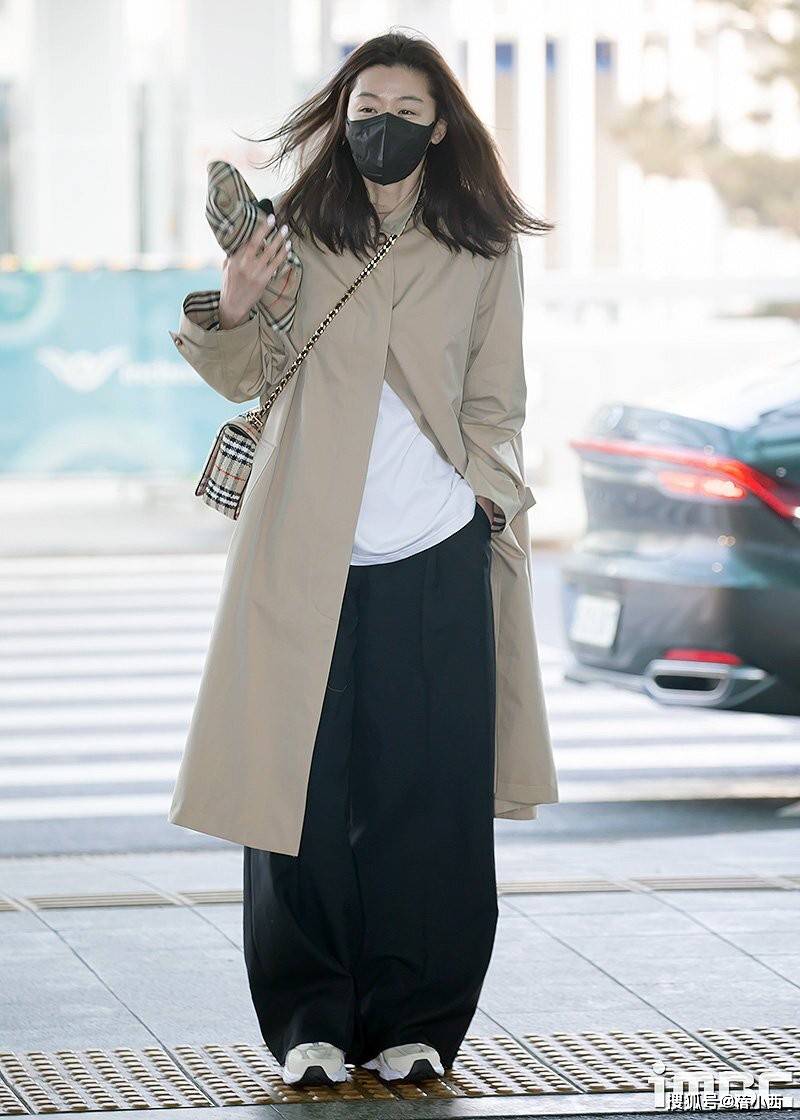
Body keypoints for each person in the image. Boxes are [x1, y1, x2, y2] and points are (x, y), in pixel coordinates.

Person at [167, 29, 559, 1091]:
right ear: (341, 118)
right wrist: (235, 301)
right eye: (366, 107)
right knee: (295, 789)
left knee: (428, 796)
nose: (382, 124)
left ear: (440, 126)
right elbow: (246, 370)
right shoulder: (298, 230)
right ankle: (310, 1019)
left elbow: (498, 397)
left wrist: (480, 497)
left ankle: (416, 1019)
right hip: (305, 549)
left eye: (405, 109)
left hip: (436, 546)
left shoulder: (481, 244)